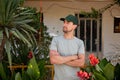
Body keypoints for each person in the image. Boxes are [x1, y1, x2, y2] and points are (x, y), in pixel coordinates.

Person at [49, 14, 85, 80]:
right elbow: (53, 60)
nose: (64, 25)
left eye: (67, 23)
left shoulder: (80, 43)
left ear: (74, 26)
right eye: (64, 22)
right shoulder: (56, 40)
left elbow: (81, 63)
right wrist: (72, 57)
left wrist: (60, 59)